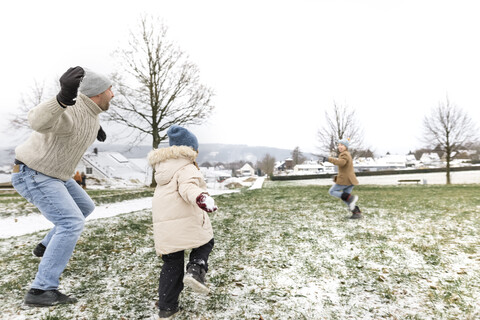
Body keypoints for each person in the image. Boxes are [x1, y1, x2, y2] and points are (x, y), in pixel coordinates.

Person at [11, 66, 114, 307]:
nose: (113, 94)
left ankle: (45, 246)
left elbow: (82, 120)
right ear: (98, 93)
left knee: (85, 207)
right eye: (110, 89)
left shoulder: (91, 111)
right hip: (34, 173)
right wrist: (61, 98)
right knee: (70, 222)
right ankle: (40, 290)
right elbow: (36, 120)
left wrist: (95, 128)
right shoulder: (68, 109)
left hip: (57, 174)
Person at [147, 125, 217, 319]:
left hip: (166, 229)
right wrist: (201, 198)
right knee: (206, 241)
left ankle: (167, 306)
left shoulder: (163, 169)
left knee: (172, 264)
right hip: (186, 222)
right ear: (190, 150)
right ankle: (196, 269)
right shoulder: (186, 167)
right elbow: (189, 188)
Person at [321, 138, 362, 219]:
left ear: (346, 147)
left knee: (332, 191)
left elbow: (341, 163)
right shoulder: (347, 154)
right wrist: (337, 177)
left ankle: (351, 198)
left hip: (346, 180)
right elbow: (345, 168)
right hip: (350, 180)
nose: (340, 147)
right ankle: (356, 212)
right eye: (339, 145)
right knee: (346, 198)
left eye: (342, 145)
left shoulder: (344, 154)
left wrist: (329, 159)